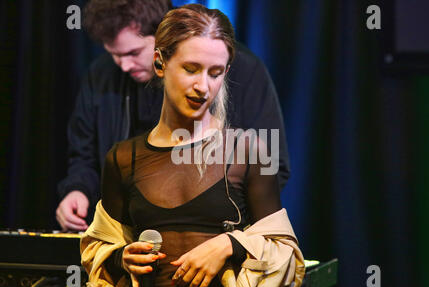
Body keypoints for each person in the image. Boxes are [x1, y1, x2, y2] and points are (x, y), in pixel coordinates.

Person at [80, 4, 304, 287]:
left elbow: (286, 257)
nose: (203, 86)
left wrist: (229, 245)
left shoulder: (247, 152)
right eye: (191, 69)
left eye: (215, 73)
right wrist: (122, 257)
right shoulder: (123, 159)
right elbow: (98, 249)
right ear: (160, 63)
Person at [56, 0, 291, 232]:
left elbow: (270, 166)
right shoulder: (102, 74)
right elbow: (83, 153)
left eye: (133, 52)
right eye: (114, 55)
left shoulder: (245, 72)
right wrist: (78, 189)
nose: (124, 65)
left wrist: (225, 236)